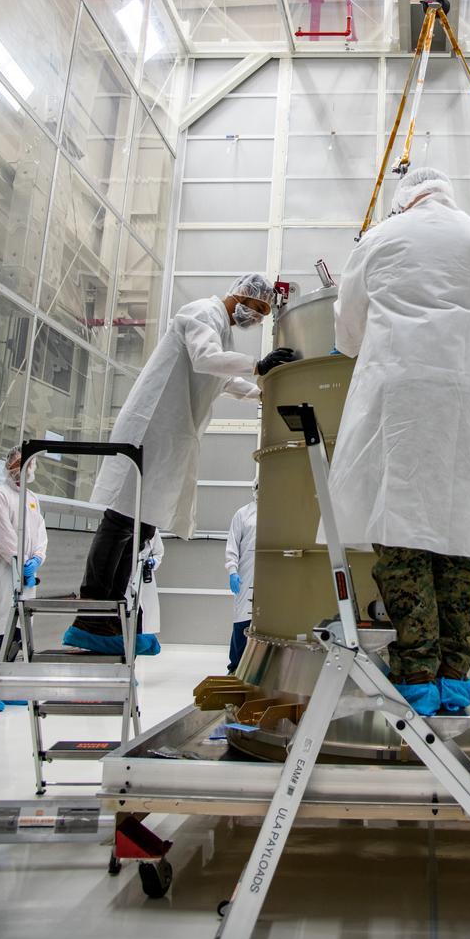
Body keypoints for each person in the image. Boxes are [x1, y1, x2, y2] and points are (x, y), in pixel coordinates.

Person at [328, 167, 470, 716]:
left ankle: (416, 672)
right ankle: (456, 677)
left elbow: (346, 335)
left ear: (403, 198)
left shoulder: (379, 237)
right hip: (462, 397)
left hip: (396, 394)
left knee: (401, 527)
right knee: (457, 530)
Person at [65, 274, 297, 654]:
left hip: (170, 433)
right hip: (151, 426)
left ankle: (109, 619)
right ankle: (91, 615)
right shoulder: (202, 312)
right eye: (255, 307)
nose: (254, 316)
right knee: (122, 519)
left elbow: (220, 381)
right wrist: (258, 365)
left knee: (139, 528)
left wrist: (261, 394)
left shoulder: (223, 334)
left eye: (262, 313)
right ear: (239, 293)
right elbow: (207, 361)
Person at [0, 446, 48, 712]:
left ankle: (8, 687)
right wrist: (20, 564)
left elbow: (41, 534)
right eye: (18, 464)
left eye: (28, 464)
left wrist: (37, 560)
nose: (23, 469)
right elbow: (4, 537)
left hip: (26, 578)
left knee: (19, 631)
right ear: (8, 466)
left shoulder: (32, 498)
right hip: (1, 573)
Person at [225, 480, 257, 673]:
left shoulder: (279, 513)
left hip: (271, 575)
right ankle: (235, 666)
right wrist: (232, 571)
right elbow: (232, 545)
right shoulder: (243, 513)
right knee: (242, 618)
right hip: (246, 573)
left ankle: (257, 668)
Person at [138, 530, 165, 640]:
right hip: (126, 571)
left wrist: (153, 561)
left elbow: (159, 553)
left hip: (144, 572)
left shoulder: (153, 530)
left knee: (145, 609)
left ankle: (142, 638)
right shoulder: (123, 525)